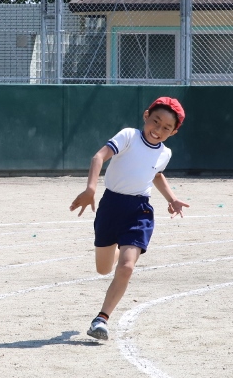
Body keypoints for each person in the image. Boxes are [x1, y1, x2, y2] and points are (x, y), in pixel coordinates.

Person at [70, 97, 189, 340]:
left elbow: (156, 175)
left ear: (174, 131)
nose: (158, 130)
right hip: (111, 206)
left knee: (126, 267)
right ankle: (117, 251)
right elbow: (98, 157)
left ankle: (101, 319)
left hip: (139, 211)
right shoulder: (128, 136)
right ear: (146, 116)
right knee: (104, 269)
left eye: (167, 127)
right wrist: (90, 189)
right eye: (156, 121)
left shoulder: (165, 153)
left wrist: (172, 198)